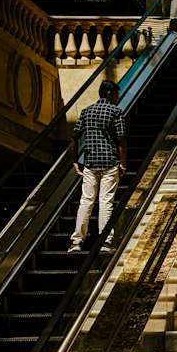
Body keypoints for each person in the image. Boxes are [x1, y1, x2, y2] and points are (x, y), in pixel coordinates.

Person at [69, 79, 127, 253]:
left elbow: (75, 136)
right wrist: (123, 163)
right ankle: (105, 241)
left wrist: (74, 160)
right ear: (109, 94)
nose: (118, 97)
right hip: (110, 163)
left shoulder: (86, 112)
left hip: (90, 164)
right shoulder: (116, 112)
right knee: (105, 202)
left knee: (86, 202)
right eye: (116, 94)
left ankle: (77, 242)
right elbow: (121, 139)